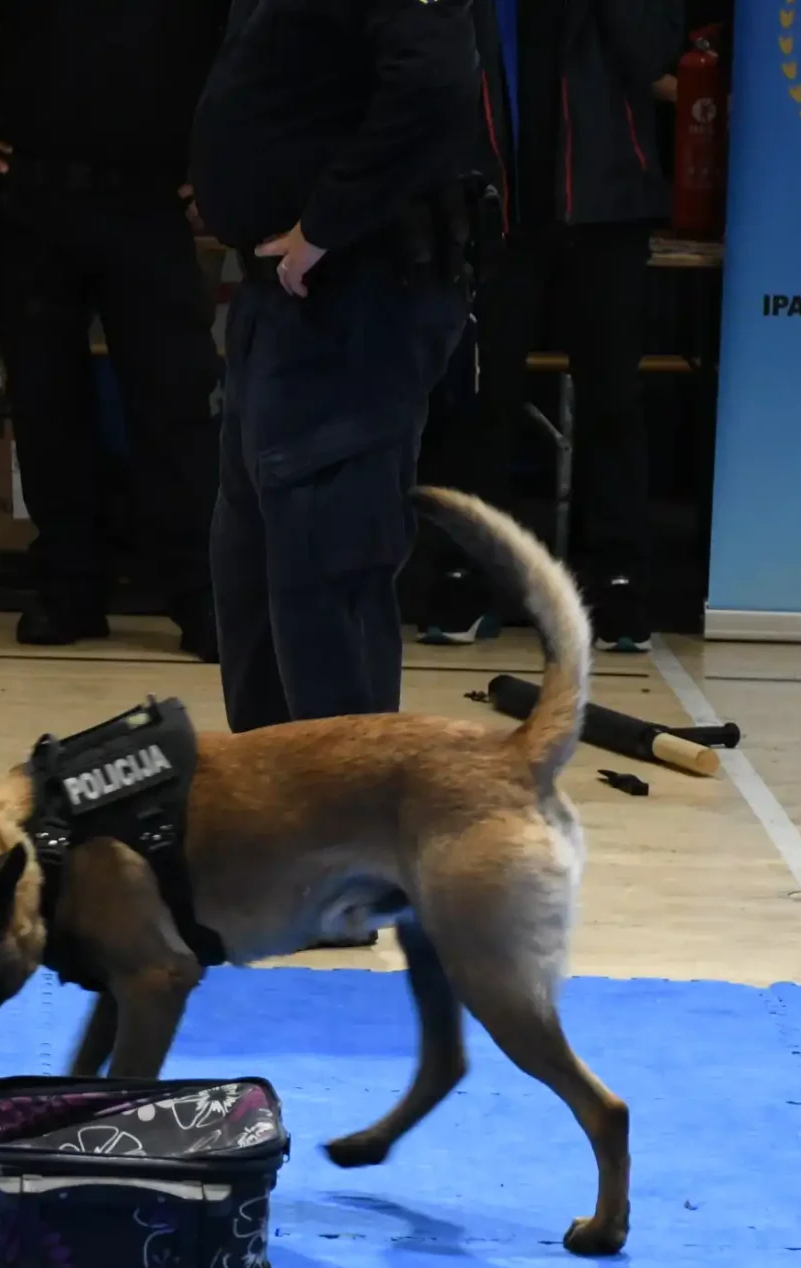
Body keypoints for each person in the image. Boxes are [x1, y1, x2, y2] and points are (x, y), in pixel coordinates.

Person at [0, 0, 227, 659]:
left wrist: (222, 164)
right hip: (33, 195)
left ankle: (200, 589)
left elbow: (248, 44)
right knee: (46, 401)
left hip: (151, 200)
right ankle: (69, 583)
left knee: (176, 402)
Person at [192, 0, 488, 732]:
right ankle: (273, 827)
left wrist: (326, 222)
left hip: (354, 298)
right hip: (279, 303)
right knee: (253, 572)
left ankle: (349, 834)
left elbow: (434, 82)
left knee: (328, 576)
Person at [422, 0, 681, 654]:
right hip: (490, 205)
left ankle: (618, 579)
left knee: (612, 402)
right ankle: (468, 573)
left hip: (606, 209)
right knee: (481, 402)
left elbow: (652, 52)